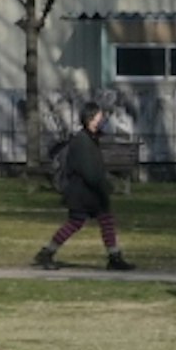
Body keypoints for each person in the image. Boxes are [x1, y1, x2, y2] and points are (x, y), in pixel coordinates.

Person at [38, 103, 130, 271]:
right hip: (83, 193)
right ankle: (47, 253)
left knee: (105, 221)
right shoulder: (82, 141)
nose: (101, 121)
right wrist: (105, 185)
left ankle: (114, 257)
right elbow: (89, 172)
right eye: (98, 118)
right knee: (75, 223)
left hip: (90, 192)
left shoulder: (90, 139)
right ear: (89, 119)